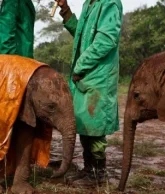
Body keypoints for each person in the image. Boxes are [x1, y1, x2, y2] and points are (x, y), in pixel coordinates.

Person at [55, 0, 123, 187]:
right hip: (85, 75)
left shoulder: (109, 3)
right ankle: (89, 169)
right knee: (85, 123)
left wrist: (80, 66)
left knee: (95, 125)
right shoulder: (88, 5)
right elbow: (81, 34)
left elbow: (106, 40)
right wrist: (65, 9)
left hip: (99, 75)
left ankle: (98, 174)